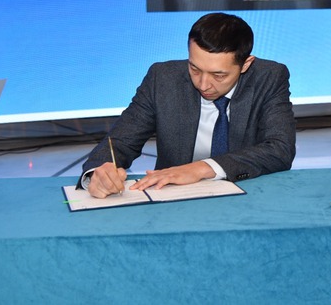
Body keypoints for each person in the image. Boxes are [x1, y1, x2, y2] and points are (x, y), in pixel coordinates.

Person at [79, 13, 296, 198]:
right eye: (194, 69)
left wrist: (201, 168)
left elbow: (279, 149)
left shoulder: (269, 78)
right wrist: (98, 173)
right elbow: (120, 142)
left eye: (218, 75)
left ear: (245, 64)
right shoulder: (162, 78)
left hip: (248, 194)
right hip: (171, 199)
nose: (203, 84)